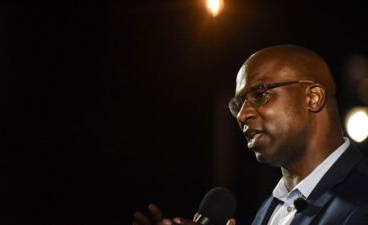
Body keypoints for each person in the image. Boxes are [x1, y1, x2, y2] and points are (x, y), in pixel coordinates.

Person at [132, 45, 368, 225]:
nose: (242, 115)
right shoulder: (269, 208)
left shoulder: (361, 200)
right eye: (238, 104)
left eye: (260, 94)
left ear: (313, 97)